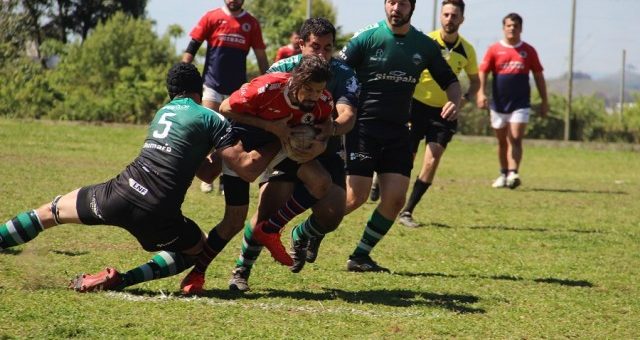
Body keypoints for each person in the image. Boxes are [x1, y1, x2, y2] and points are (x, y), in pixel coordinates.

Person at [0, 63, 235, 292]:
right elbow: (208, 174)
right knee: (198, 248)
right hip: (157, 214)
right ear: (200, 89)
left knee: (51, 212)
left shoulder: (163, 112)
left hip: (119, 194)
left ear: (170, 93)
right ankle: (123, 280)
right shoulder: (209, 117)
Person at [179, 54, 335, 294]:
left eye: (319, 90)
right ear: (295, 80)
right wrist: (271, 127)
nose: (314, 96)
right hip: (244, 143)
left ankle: (270, 228)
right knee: (233, 221)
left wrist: (321, 142)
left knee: (321, 182)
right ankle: (197, 273)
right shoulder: (267, 87)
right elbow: (225, 108)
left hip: (282, 146)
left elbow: (328, 125)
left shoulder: (323, 100)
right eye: (309, 89)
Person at [226, 17, 359, 292]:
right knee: (268, 206)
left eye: (327, 47)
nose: (322, 54)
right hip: (283, 146)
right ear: (301, 45)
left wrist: (330, 128)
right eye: (315, 47)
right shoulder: (281, 70)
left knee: (333, 212)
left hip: (325, 147)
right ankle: (242, 269)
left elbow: (348, 116)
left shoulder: (344, 73)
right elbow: (246, 107)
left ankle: (302, 234)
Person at [339, 0, 461, 272]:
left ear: (412, 7)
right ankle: (307, 233)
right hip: (363, 127)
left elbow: (450, 80)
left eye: (403, 3)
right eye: (391, 2)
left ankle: (360, 256)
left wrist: (455, 100)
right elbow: (337, 70)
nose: (396, 8)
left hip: (397, 131)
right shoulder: (366, 37)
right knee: (354, 197)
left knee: (394, 200)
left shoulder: (424, 45)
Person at [397, 0, 480, 228]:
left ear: (462, 19)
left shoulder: (467, 50)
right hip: (416, 106)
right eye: (446, 14)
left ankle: (407, 211)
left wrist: (462, 101)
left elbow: (475, 81)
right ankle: (378, 181)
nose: (449, 19)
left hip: (444, 113)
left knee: (432, 160)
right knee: (406, 158)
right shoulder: (426, 42)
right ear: (440, 16)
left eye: (454, 15)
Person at [182, 0, 270, 194]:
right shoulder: (212, 17)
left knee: (230, 135)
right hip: (211, 85)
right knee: (206, 131)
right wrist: (181, 73)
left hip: (237, 92)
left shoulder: (251, 23)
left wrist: (269, 83)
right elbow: (192, 47)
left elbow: (261, 57)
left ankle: (224, 177)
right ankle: (203, 175)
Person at [476, 12, 548, 189]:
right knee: (502, 141)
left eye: (515, 26)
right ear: (503, 28)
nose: (512, 29)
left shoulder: (528, 51)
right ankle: (504, 172)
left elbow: (538, 76)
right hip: (499, 104)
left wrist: (545, 100)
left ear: (521, 29)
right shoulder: (494, 49)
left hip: (520, 104)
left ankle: (514, 173)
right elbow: (483, 71)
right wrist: (480, 93)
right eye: (509, 25)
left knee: (515, 138)